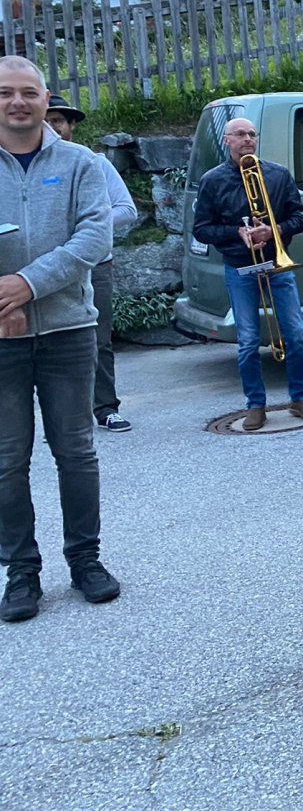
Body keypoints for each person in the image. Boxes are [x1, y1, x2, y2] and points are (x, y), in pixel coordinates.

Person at [0, 56, 117, 623]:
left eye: (29, 92)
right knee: (6, 459)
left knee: (75, 452)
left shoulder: (80, 163)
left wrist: (26, 285)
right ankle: (21, 572)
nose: (17, 102)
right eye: (5, 93)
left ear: (47, 100)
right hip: (1, 336)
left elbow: (94, 236)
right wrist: (4, 303)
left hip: (69, 331)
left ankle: (85, 561)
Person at [192, 117, 303, 431]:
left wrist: (274, 231)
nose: (248, 139)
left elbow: (298, 218)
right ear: (227, 140)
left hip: (275, 263)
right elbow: (201, 229)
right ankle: (255, 405)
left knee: (295, 334)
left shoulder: (278, 174)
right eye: (240, 134)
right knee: (248, 341)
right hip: (240, 266)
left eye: (252, 134)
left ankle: (300, 398)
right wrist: (237, 232)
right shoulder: (212, 180)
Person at [43, 95, 138, 433]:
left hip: (94, 265)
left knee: (98, 339)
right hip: (44, 265)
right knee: (47, 342)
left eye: (58, 121)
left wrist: (88, 227)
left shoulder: (94, 162)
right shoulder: (29, 169)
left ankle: (106, 408)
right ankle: (62, 416)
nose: (51, 127)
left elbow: (127, 209)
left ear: (71, 126)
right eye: (46, 120)